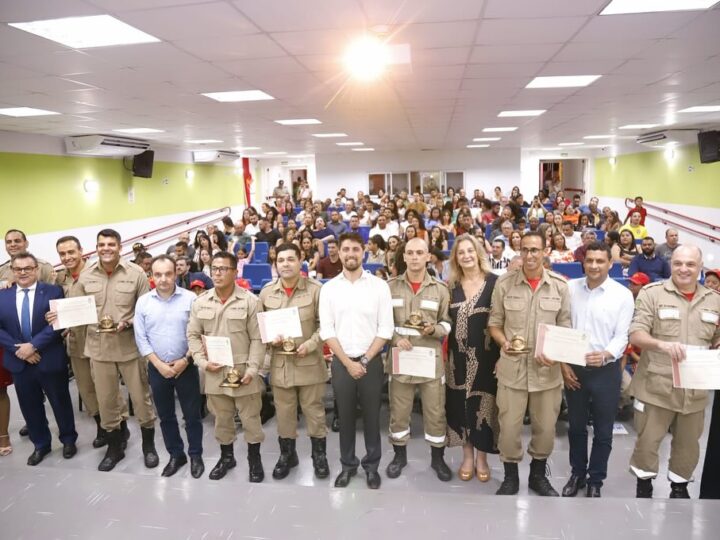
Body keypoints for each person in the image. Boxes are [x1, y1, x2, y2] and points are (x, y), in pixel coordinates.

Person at [628, 245, 720, 499]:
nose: (683, 269)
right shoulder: (652, 294)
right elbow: (636, 333)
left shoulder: (715, 301)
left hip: (695, 389)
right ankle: (644, 485)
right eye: (678, 263)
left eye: (690, 264)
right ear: (671, 265)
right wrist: (661, 345)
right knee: (648, 442)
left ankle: (679, 487)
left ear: (699, 267)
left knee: (688, 446)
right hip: (656, 386)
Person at [488, 231, 571, 496]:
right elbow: (494, 324)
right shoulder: (505, 284)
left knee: (546, 428)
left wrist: (556, 354)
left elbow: (565, 329)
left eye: (535, 250)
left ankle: (538, 476)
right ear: (519, 252)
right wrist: (503, 343)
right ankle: (510, 477)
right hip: (512, 370)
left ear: (545, 251)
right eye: (525, 250)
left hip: (546, 372)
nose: (530, 255)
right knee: (509, 428)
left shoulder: (560, 286)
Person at [77, 229, 157, 472]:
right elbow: (77, 308)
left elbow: (147, 310)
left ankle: (148, 446)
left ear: (120, 247)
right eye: (101, 244)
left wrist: (129, 322)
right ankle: (115, 448)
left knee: (141, 399)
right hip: (98, 349)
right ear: (97, 247)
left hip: (128, 347)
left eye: (111, 244)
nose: (106, 248)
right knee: (107, 400)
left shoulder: (136, 273)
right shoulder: (86, 275)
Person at [319, 232, 394, 489]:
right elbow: (326, 330)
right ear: (339, 253)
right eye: (345, 249)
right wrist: (349, 363)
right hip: (341, 362)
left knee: (373, 417)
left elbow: (385, 329)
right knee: (346, 418)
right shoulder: (328, 289)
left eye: (355, 249)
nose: (350, 254)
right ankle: (347, 465)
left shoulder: (379, 287)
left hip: (371, 362)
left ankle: (372, 466)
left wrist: (363, 360)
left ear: (363, 252)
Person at [561, 242, 635, 498]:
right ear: (584, 262)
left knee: (603, 431)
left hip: (606, 370)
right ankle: (577, 474)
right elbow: (562, 327)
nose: (594, 265)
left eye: (600, 261)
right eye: (589, 260)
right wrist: (564, 365)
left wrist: (605, 354)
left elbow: (622, 335)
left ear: (610, 264)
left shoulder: (622, 294)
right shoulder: (570, 289)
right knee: (576, 427)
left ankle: (596, 480)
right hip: (575, 369)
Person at [187, 251, 266, 482]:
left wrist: (252, 370)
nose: (218, 273)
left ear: (234, 272)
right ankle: (227, 457)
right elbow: (192, 336)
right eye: (214, 269)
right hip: (214, 370)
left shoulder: (251, 301)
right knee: (221, 419)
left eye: (223, 269)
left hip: (243, 372)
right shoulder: (200, 302)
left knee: (251, 419)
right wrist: (201, 362)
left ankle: (254, 460)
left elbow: (258, 339)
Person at [259, 243, 329, 480]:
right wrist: (271, 340)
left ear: (301, 261)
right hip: (281, 366)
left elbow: (326, 326)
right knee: (285, 414)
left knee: (315, 413)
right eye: (281, 260)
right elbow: (261, 330)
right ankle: (287, 455)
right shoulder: (267, 293)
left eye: (291, 259)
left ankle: (319, 456)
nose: (285, 264)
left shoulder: (316, 290)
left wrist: (309, 345)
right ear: (275, 264)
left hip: (309, 362)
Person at [0, 252, 77, 465]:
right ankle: (41, 444)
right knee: (29, 405)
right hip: (19, 361)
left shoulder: (53, 291)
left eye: (27, 268)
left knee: (60, 401)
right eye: (18, 269)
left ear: (36, 269)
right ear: (12, 272)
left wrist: (33, 346)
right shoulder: (2, 295)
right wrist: (20, 350)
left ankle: (69, 439)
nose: (23, 272)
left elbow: (58, 323)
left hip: (49, 357)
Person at [385, 238, 452, 481]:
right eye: (410, 253)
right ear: (404, 257)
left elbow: (447, 322)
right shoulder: (389, 287)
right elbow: (382, 324)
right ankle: (399, 456)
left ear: (428, 257)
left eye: (419, 253)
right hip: (401, 359)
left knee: (435, 412)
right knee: (399, 412)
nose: (414, 257)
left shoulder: (440, 289)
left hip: (429, 361)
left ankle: (438, 459)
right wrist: (394, 338)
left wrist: (435, 330)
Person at [134, 255, 204, 478]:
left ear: (176, 274)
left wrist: (186, 360)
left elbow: (199, 334)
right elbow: (141, 338)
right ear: (151, 276)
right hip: (157, 368)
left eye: (168, 274)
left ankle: (195, 455)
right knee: (165, 416)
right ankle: (176, 454)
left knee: (192, 416)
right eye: (158, 274)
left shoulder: (191, 299)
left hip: (186, 366)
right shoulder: (143, 302)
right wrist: (158, 364)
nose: (163, 279)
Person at [52, 235, 121, 449]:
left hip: (99, 339)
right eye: (62, 254)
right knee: (86, 389)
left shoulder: (95, 273)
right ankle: (101, 427)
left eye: (71, 252)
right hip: (76, 341)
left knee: (107, 388)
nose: (67, 257)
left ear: (81, 250)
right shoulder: (60, 278)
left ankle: (119, 429)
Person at [445, 235, 500, 482]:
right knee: (460, 406)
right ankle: (467, 456)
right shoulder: (450, 286)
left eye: (470, 251)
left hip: (487, 358)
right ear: (455, 258)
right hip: (456, 360)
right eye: (460, 252)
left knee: (484, 408)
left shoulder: (496, 283)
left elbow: (504, 321)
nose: (466, 256)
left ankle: (482, 458)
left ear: (478, 253)